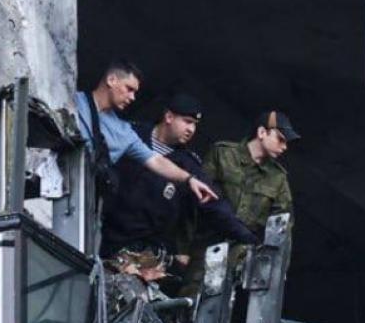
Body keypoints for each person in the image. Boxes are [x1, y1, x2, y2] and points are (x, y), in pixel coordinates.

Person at [102, 93, 256, 277]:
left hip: (140, 253)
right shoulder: (131, 134)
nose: (191, 129)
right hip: (100, 232)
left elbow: (214, 204)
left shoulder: (189, 165)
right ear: (168, 117)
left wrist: (248, 238)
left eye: (195, 125)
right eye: (187, 121)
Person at [74, 59, 217, 205]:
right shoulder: (71, 101)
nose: (132, 97)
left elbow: (155, 160)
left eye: (135, 92)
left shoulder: (124, 132)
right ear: (111, 80)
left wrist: (189, 179)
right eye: (129, 89)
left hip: (86, 207)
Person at [202, 109, 298, 237]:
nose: (284, 147)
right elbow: (196, 198)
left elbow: (283, 225)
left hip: (243, 251)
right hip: (205, 242)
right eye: (280, 139)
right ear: (262, 132)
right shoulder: (223, 154)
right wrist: (183, 250)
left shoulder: (278, 177)